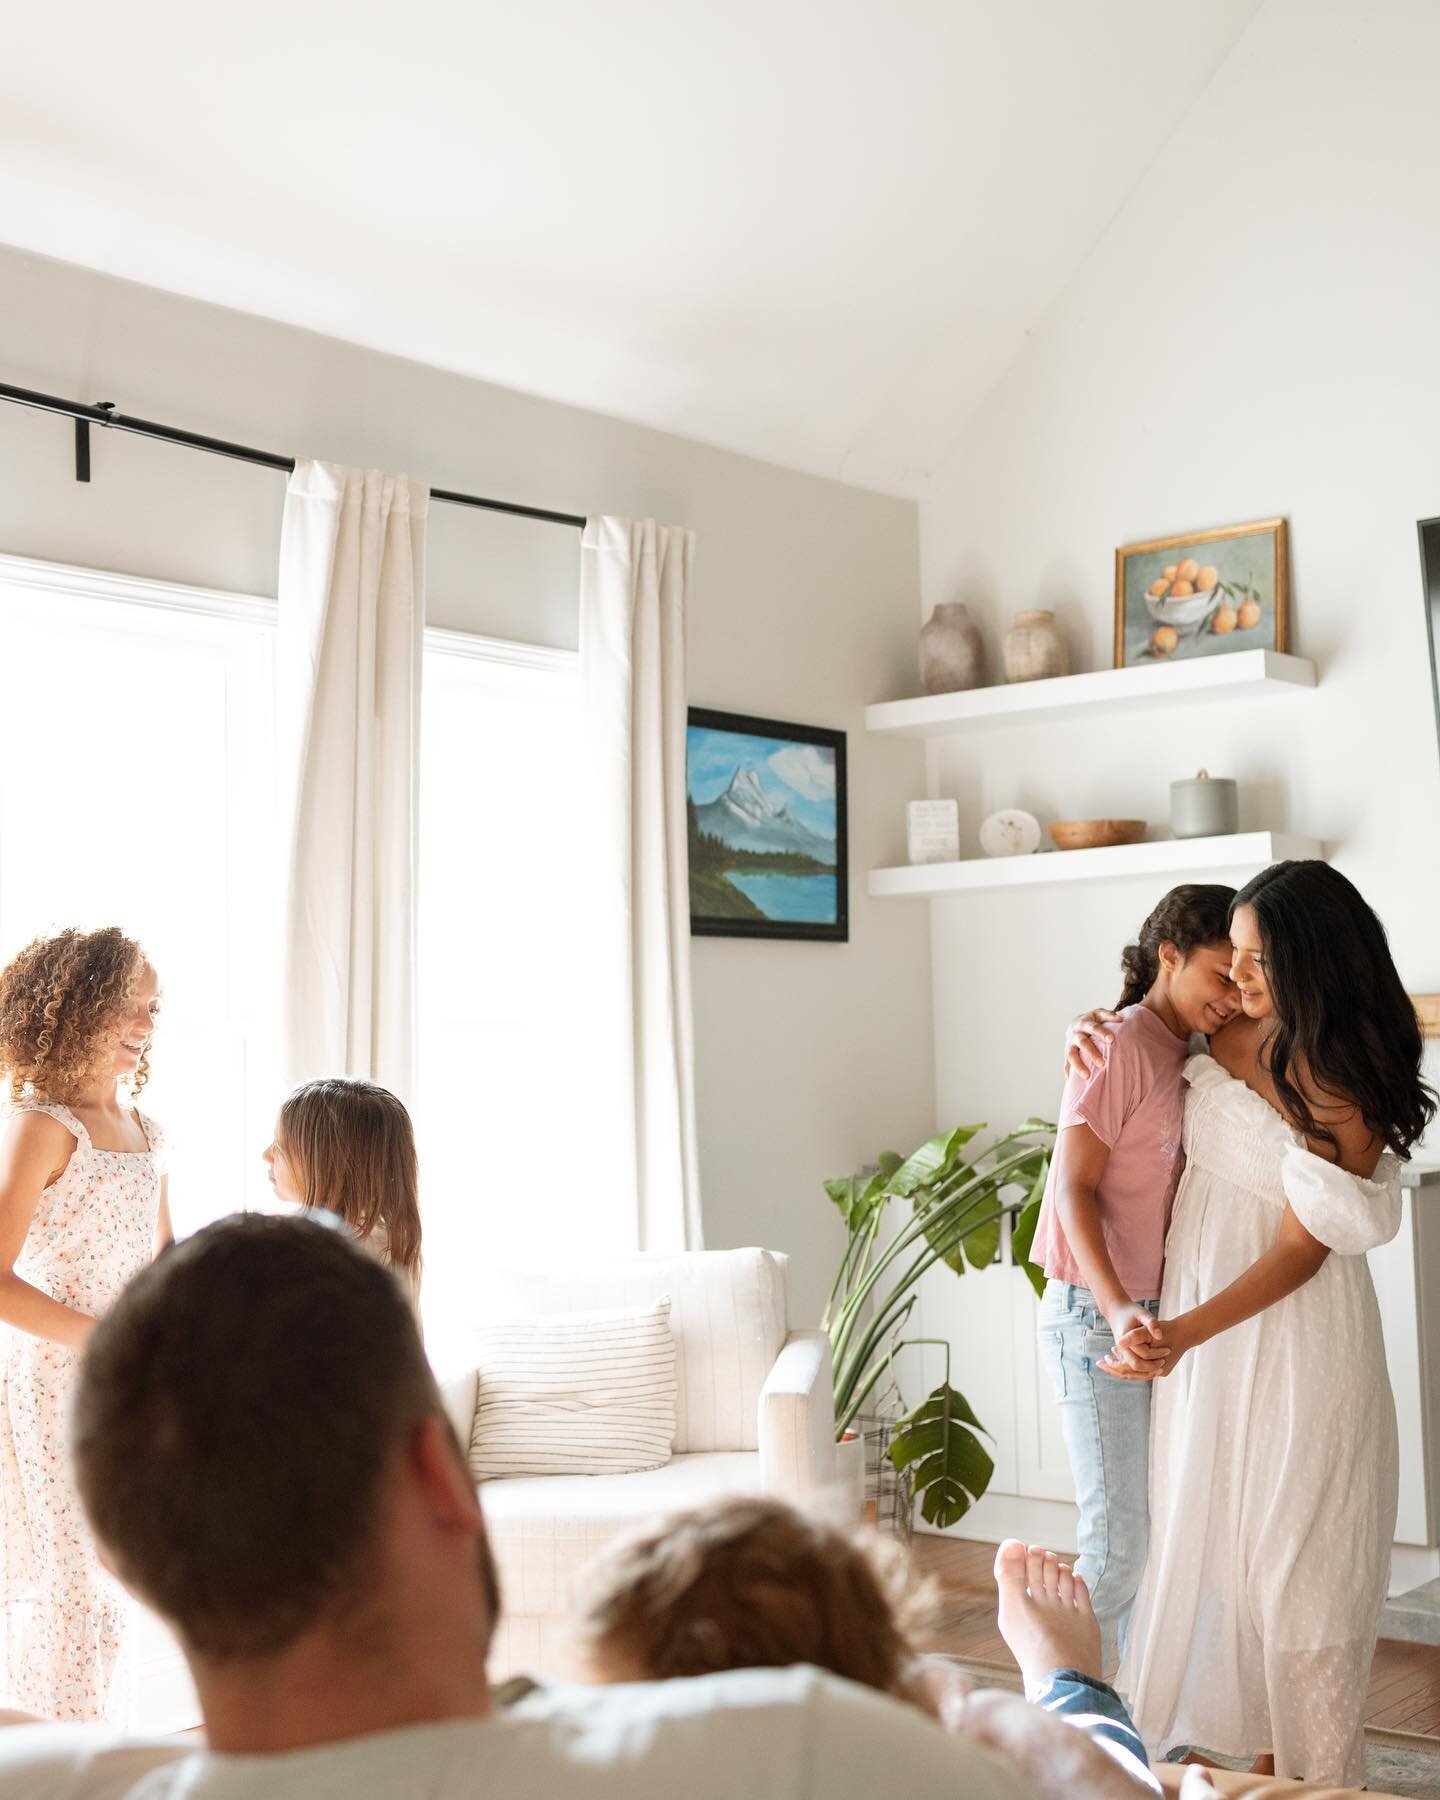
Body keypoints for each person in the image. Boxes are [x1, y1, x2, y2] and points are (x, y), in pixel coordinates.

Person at [0, 1213, 1182, 1799]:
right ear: (434, 1476)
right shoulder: (792, 1751)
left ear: (116, 1552)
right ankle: (1078, 1681)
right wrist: (1037, 1701)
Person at [1074, 861, 1433, 1784]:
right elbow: (1143, 1028)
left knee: (1301, 1571)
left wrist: (1183, 1334)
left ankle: (1318, 1777)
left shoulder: (1347, 1076)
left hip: (1296, 1339)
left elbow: (1302, 1251)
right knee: (1219, 1549)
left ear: (1312, 959)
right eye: (1232, 957)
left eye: (1257, 960)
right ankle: (1262, 1778)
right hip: (1204, 1339)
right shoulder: (1225, 1025)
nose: (1237, 979)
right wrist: (1089, 1029)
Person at [1031, 884, 1240, 1674]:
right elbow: (1070, 1189)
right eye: (1219, 975)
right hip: (1098, 1314)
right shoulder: (1117, 1044)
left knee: (1158, 1539)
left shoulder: (1183, 1047)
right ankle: (1066, 1717)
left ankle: (1137, 1720)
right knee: (1117, 1546)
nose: (1231, 996)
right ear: (1170, 955)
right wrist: (1118, 1309)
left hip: (1160, 1316)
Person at [0, 926, 171, 1723]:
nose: (142, 1024)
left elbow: (165, 1262)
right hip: (56, 1378)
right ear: (71, 1011)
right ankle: (58, 1757)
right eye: (123, 1007)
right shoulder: (43, 1127)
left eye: (151, 1008)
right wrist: (102, 1339)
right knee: (71, 1580)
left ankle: (81, 1742)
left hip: (130, 1382)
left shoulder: (150, 1134)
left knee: (116, 1572)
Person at [263, 1075, 422, 1307]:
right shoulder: (387, 1240)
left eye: (280, 1147)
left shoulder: (333, 1257)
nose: (266, 1154)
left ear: (327, 1164)